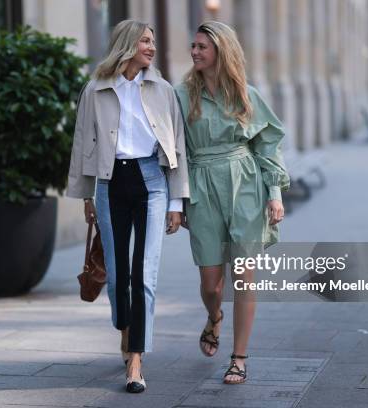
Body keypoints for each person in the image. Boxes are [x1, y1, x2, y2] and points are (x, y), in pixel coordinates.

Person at [67, 20, 189, 393]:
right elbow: (81, 141)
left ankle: (135, 359)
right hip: (109, 183)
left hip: (152, 181)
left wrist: (175, 201)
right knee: (119, 274)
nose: (151, 48)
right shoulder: (97, 89)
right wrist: (87, 195)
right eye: (145, 41)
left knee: (145, 274)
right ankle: (125, 332)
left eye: (153, 41)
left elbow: (178, 146)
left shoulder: (163, 89)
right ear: (127, 44)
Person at [175, 21, 289, 385]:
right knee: (211, 284)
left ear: (220, 52)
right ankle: (214, 318)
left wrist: (274, 194)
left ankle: (239, 357)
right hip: (203, 185)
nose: (194, 53)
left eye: (202, 47)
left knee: (243, 277)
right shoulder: (181, 95)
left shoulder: (245, 95)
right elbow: (174, 149)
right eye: (193, 46)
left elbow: (267, 145)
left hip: (245, 186)